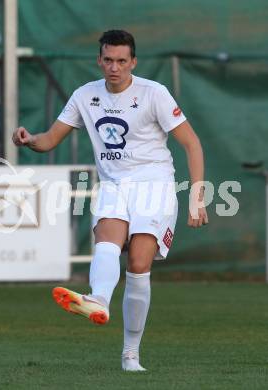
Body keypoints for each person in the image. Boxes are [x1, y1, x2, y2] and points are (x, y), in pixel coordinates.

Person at [12, 30, 208, 372]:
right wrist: (29, 140)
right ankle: (98, 300)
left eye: (121, 61)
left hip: (154, 183)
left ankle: (130, 353)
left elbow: (192, 144)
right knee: (106, 240)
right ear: (99, 60)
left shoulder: (153, 94)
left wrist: (197, 197)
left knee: (138, 263)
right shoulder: (85, 95)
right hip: (114, 184)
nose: (114, 67)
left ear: (133, 62)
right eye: (108, 60)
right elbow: (50, 140)